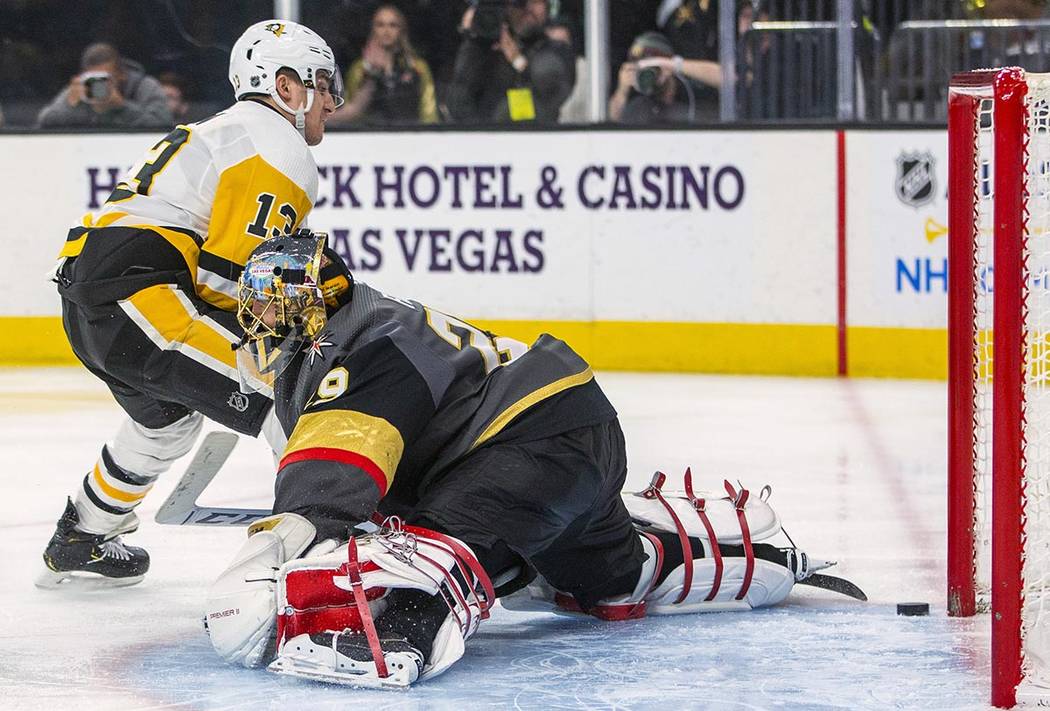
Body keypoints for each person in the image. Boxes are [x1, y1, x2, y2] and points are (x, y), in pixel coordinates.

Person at [203, 231, 844, 687]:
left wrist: (266, 552)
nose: (263, 319)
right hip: (570, 436)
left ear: (322, 302)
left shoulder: (360, 352)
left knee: (415, 557)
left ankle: (396, 634)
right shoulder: (377, 325)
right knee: (610, 576)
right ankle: (759, 554)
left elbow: (330, 480)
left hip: (526, 448)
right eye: (258, 302)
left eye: (279, 300)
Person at [36, 20, 345, 589]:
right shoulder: (278, 146)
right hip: (144, 299)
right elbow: (231, 285)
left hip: (97, 300)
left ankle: (82, 536)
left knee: (166, 425)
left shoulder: (230, 131)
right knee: (291, 395)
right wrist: (295, 340)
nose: (331, 98)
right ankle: (335, 558)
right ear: (285, 86)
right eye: (321, 83)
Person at [446, 0, 575, 123]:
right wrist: (473, 39)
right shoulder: (482, 51)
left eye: (535, 1)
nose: (528, 9)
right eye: (519, 2)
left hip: (535, 138)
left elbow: (551, 97)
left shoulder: (556, 50)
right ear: (506, 8)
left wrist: (517, 61)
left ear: (547, 7)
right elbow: (458, 102)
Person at [329, 4, 437, 126]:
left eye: (393, 25)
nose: (386, 31)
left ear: (402, 30)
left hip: (412, 135)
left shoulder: (418, 67)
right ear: (373, 29)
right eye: (380, 25)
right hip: (370, 136)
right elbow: (349, 111)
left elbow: (429, 113)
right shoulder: (360, 68)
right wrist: (372, 73)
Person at [37, 42, 172, 129]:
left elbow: (163, 124)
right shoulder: (81, 88)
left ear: (122, 74)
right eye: (92, 78)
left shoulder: (143, 86)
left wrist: (122, 107)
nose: (98, 84)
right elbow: (45, 121)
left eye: (105, 78)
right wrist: (70, 106)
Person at [609, 31, 721, 124]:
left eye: (651, 68)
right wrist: (622, 91)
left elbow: (728, 78)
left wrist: (674, 65)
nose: (646, 75)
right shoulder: (639, 107)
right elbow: (611, 127)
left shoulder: (692, 92)